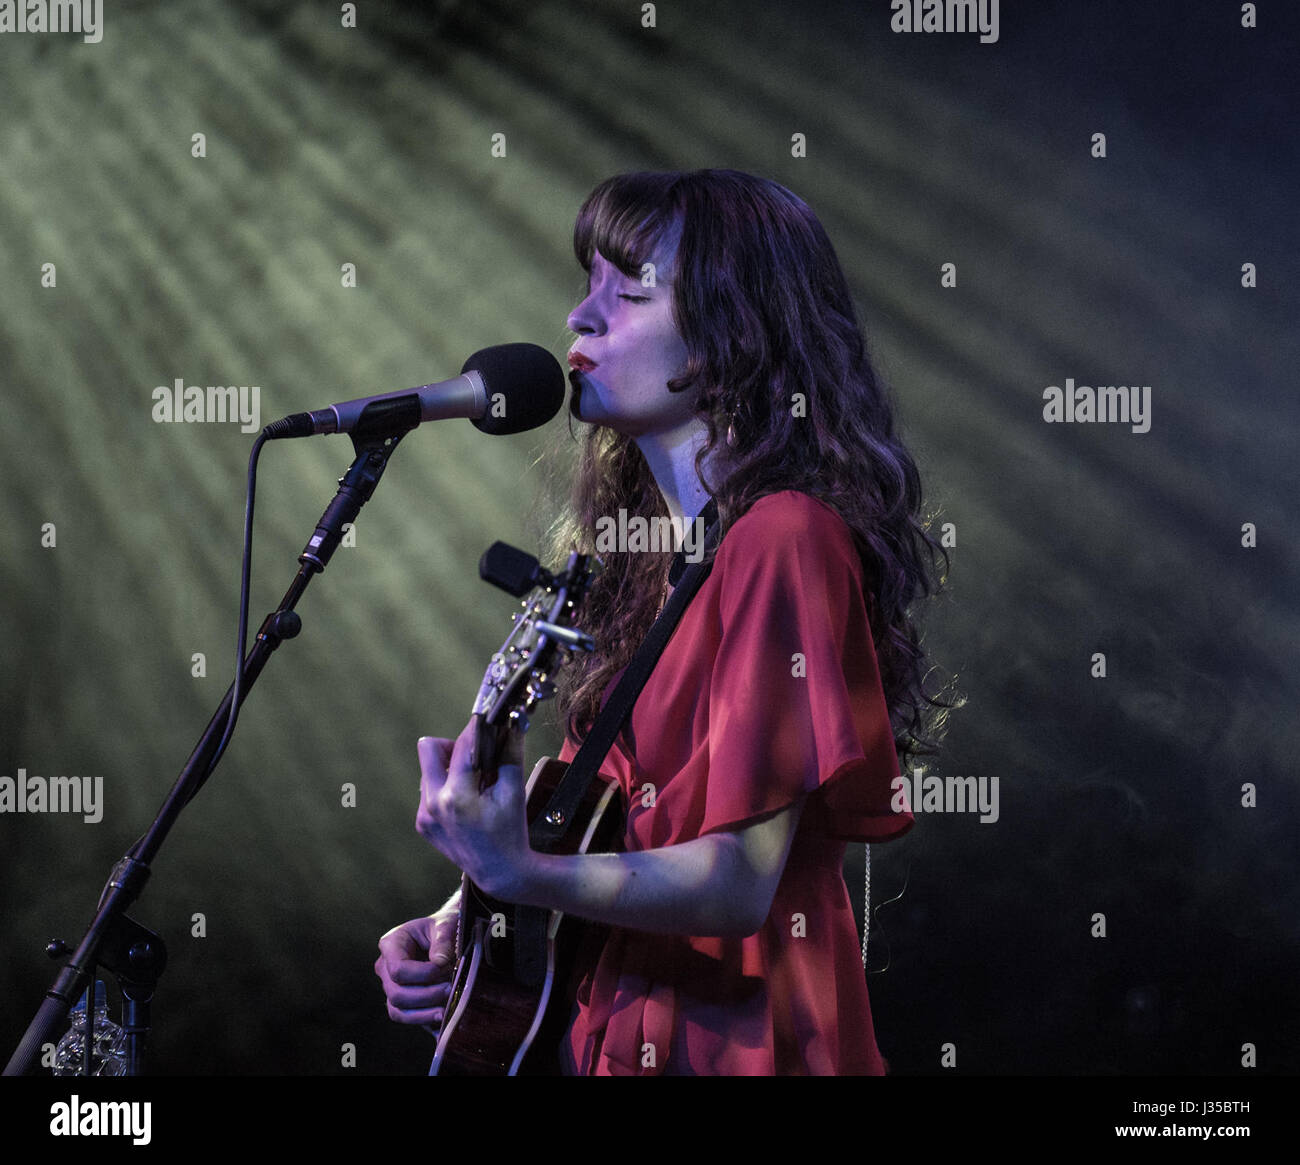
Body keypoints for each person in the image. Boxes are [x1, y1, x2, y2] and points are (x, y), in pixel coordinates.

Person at [374, 168, 950, 1075]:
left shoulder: (783, 537)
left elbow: (736, 880)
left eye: (631, 290)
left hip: (749, 1044)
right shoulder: (645, 558)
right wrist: (463, 918)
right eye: (587, 284)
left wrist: (518, 874)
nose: (580, 319)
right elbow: (597, 814)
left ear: (731, 335)